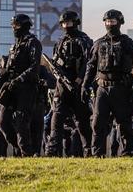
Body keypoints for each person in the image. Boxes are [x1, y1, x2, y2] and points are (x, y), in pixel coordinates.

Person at [83, 9, 133, 157]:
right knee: (98, 124)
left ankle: (127, 154)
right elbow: (91, 66)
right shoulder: (98, 43)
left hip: (121, 88)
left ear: (119, 22)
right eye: (108, 22)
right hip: (102, 88)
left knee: (124, 124)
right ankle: (98, 155)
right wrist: (85, 85)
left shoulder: (127, 43)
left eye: (113, 21)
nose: (110, 24)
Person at [45, 11, 93, 157]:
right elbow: (54, 63)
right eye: (64, 24)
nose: (66, 26)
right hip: (62, 87)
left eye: (69, 23)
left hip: (78, 86)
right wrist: (57, 76)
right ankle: (52, 151)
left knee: (82, 122)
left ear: (76, 23)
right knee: (56, 118)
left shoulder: (84, 40)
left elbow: (89, 63)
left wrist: (80, 79)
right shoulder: (60, 41)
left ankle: (88, 151)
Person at [0, 15, 42, 157]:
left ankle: (26, 154)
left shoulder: (33, 43)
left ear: (25, 26)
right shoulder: (14, 45)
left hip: (26, 89)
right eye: (12, 26)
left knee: (22, 123)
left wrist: (19, 79)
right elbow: (9, 68)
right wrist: (0, 79)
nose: (14, 28)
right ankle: (20, 148)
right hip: (11, 89)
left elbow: (35, 67)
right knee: (1, 122)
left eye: (17, 25)